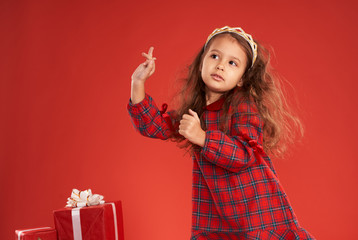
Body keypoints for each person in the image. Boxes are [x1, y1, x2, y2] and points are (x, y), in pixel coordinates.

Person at [127, 26, 315, 239]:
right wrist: (138, 82)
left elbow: (245, 154)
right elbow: (155, 126)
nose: (220, 66)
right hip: (216, 216)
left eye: (232, 63)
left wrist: (203, 137)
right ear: (201, 64)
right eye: (215, 56)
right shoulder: (197, 110)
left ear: (242, 78)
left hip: (257, 213)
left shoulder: (243, 105)